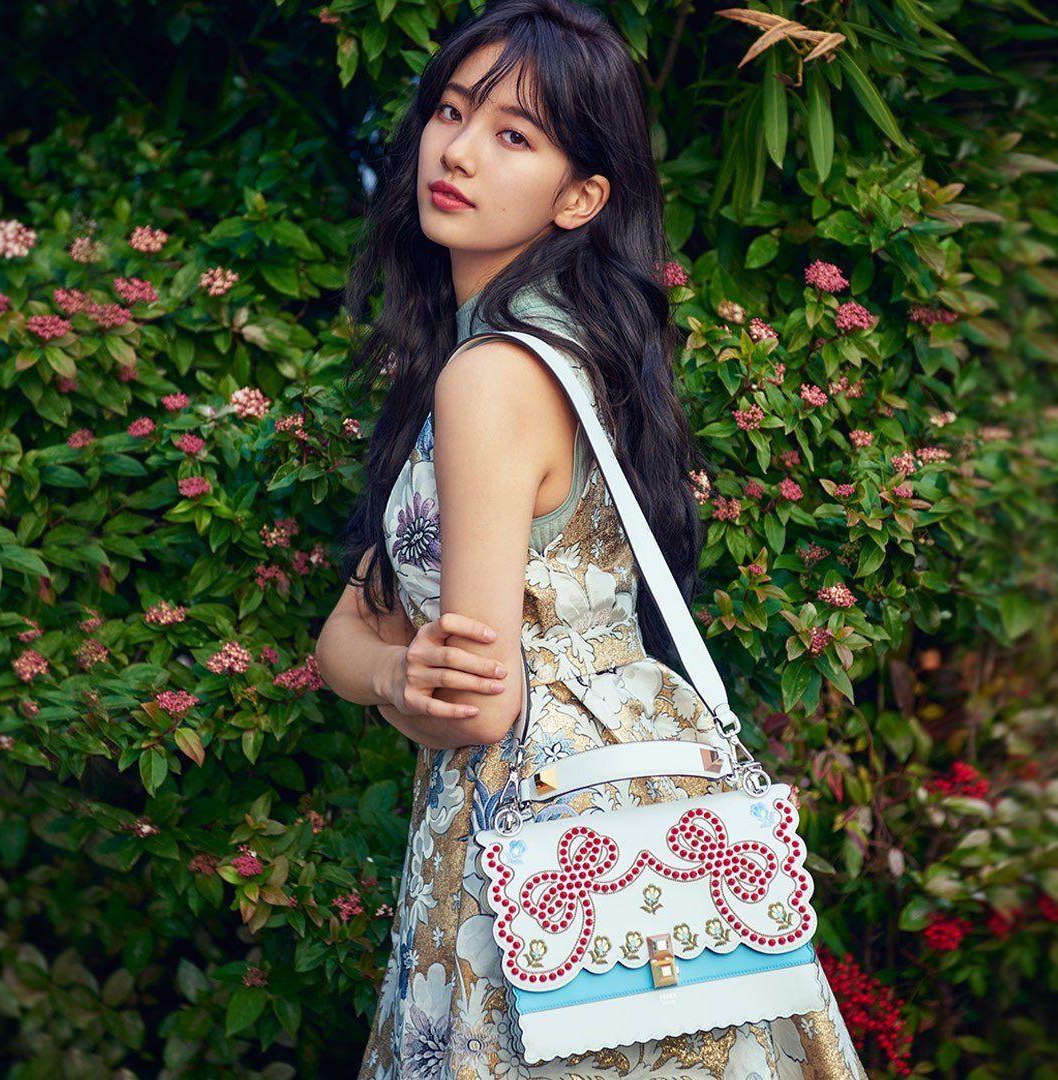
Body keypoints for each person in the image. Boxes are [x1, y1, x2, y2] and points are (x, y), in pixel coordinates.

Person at [315, 1, 868, 1076]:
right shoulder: (570, 353)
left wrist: (389, 673)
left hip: (532, 834)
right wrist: (389, 668)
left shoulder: (490, 376)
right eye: (450, 113)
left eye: (513, 135)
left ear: (581, 196)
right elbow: (355, 628)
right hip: (630, 811)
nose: (457, 152)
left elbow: (474, 701)